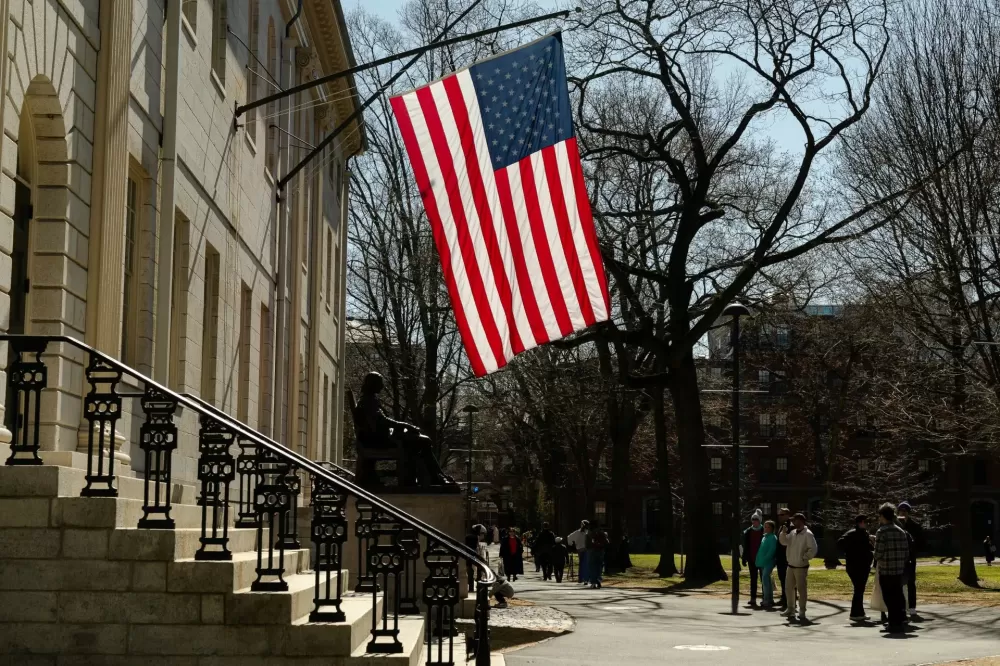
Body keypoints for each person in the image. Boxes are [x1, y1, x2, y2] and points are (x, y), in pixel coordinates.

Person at [355, 372, 454, 487]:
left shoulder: (367, 400)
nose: (382, 386)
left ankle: (434, 476)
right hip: (378, 441)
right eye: (380, 383)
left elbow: (381, 422)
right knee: (424, 441)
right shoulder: (369, 401)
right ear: (373, 384)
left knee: (421, 441)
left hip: (376, 439)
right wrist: (405, 426)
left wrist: (403, 427)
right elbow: (383, 422)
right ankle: (434, 477)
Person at [874, 503, 910, 633]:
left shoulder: (881, 532)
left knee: (889, 598)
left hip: (886, 570)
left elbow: (878, 554)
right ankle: (899, 622)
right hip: (898, 570)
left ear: (883, 516)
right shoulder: (901, 531)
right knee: (898, 596)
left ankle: (893, 623)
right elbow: (906, 553)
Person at [778, 512, 818, 622]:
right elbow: (784, 542)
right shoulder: (792, 532)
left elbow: (813, 549)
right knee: (788, 588)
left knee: (801, 589)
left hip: (801, 566)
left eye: (794, 520)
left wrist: (804, 557)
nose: (793, 522)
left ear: (800, 521)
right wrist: (783, 533)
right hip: (790, 565)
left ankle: (802, 610)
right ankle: (790, 608)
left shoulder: (808, 534)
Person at [838, 514, 875, 621]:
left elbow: (868, 547)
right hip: (857, 566)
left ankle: (859, 612)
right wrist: (852, 551)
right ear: (861, 522)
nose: (867, 524)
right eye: (866, 522)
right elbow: (840, 543)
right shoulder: (853, 534)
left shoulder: (862, 534)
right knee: (859, 589)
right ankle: (855, 613)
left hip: (861, 565)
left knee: (859, 589)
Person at [897, 501, 923, 617]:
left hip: (910, 558)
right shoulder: (895, 525)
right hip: (898, 558)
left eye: (905, 511)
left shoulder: (915, 526)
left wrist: (913, 549)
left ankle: (912, 607)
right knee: (898, 583)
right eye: (901, 511)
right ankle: (901, 606)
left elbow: (921, 542)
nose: (903, 513)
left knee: (911, 582)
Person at [742, 509, 765, 607]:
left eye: (756, 519)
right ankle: (753, 598)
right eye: (753, 519)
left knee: (764, 579)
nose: (754, 521)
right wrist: (744, 558)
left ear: (760, 520)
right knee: (753, 579)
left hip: (762, 559)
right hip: (752, 558)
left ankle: (765, 598)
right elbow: (745, 546)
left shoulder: (764, 530)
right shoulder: (748, 531)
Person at [756, 520, 779, 608]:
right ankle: (769, 599)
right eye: (765, 526)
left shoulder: (773, 537)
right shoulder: (764, 537)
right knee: (766, 580)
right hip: (763, 561)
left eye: (768, 527)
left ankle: (767, 600)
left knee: (765, 578)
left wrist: (766, 559)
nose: (766, 528)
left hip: (769, 561)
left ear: (772, 528)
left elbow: (772, 550)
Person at [775, 507, 792, 609]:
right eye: (779, 515)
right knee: (782, 579)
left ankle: (789, 601)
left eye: (782, 515)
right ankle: (783, 598)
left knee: (788, 580)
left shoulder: (791, 527)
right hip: (780, 558)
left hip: (787, 558)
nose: (779, 517)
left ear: (788, 515)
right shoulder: (781, 526)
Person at [587, 522, 609, 589]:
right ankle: (598, 579)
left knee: (592, 567)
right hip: (600, 551)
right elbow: (606, 542)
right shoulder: (602, 533)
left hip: (592, 551)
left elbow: (587, 543)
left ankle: (593, 581)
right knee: (599, 567)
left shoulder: (590, 533)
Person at [567, 521, 590, 585]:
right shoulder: (587, 532)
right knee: (585, 564)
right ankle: (585, 579)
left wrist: (571, 544)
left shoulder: (577, 532)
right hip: (586, 549)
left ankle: (581, 578)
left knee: (581, 564)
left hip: (579, 549)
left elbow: (569, 537)